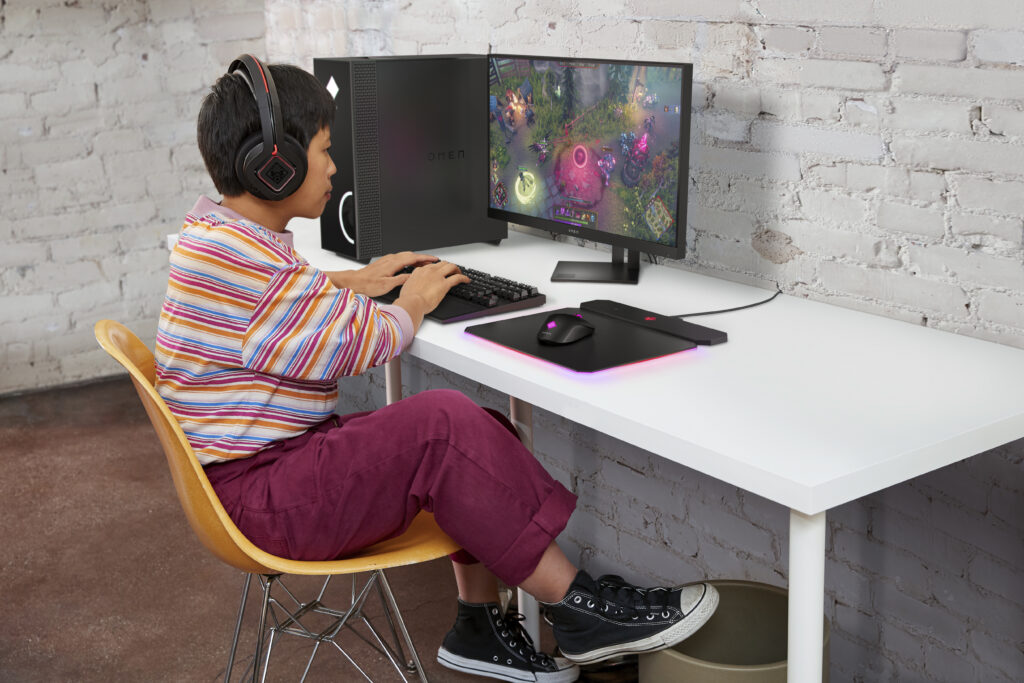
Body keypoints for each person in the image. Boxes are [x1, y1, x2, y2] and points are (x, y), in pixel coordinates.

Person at [156, 56, 718, 683]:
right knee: (443, 426)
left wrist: (353, 280)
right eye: (324, 150)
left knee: (481, 426)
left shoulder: (217, 241)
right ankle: (581, 610)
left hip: (260, 481)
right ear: (275, 165)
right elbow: (359, 345)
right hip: (267, 500)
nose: (335, 167)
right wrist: (413, 302)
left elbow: (278, 301)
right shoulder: (250, 271)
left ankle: (478, 626)